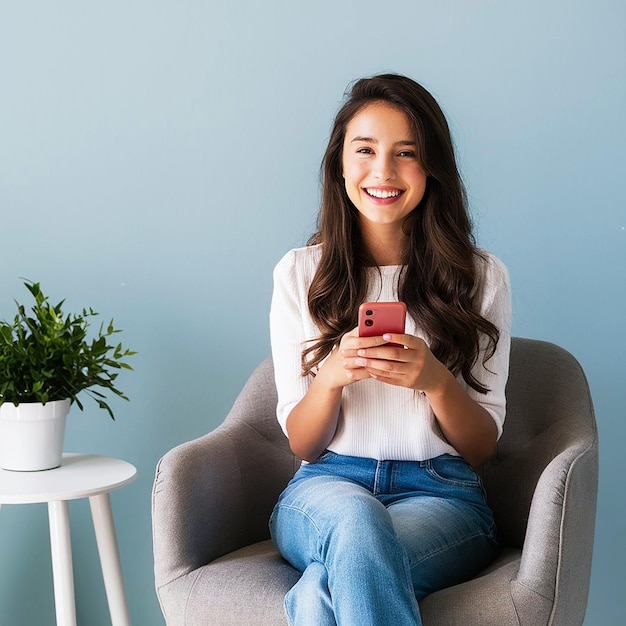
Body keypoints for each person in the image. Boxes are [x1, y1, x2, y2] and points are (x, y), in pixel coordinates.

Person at [268, 73, 511, 626]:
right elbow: (304, 444)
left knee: (318, 596)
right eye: (366, 151)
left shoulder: (480, 276)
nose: (384, 171)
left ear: (433, 169)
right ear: (340, 165)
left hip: (444, 495)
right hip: (326, 486)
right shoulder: (299, 274)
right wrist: (330, 378)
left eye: (407, 153)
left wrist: (435, 380)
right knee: (355, 521)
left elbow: (481, 448)